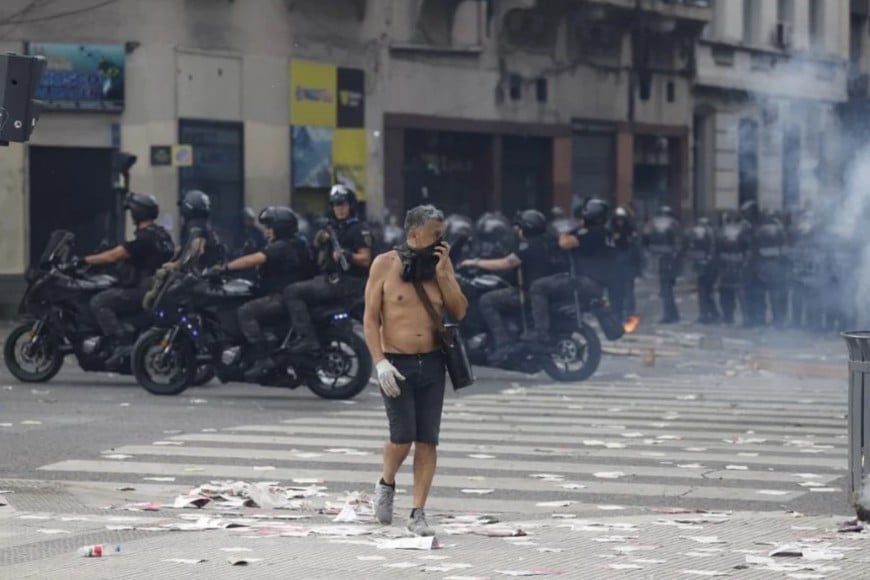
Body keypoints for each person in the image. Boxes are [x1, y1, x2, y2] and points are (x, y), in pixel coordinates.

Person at [364, 204, 468, 537]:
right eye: (436, 234)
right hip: (396, 364)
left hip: (433, 363)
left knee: (427, 441)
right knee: (402, 436)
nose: (442, 240)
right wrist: (379, 363)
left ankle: (418, 512)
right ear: (413, 234)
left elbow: (460, 310)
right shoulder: (384, 265)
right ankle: (386, 481)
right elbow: (369, 319)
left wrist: (444, 273)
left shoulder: (441, 265)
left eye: (443, 233)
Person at [213, 206, 312, 381]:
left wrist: (224, 268)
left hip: (281, 297)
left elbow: (255, 259)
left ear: (280, 227)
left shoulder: (281, 246)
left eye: (269, 227)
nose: (266, 231)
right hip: (290, 295)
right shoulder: (298, 242)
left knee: (245, 311)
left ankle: (262, 356)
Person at [85, 193, 175, 369]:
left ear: (137, 213)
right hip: (157, 287)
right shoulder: (162, 234)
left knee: (99, 301)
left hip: (142, 288)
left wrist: (83, 260)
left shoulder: (144, 238)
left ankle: (120, 342)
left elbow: (113, 256)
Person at [282, 184, 373, 353]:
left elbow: (365, 259)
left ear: (351, 205)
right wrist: (320, 239)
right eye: (336, 205)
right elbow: (316, 247)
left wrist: (348, 255)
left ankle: (306, 338)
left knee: (292, 292)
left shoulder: (358, 229)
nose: (339, 209)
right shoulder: (333, 228)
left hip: (346, 283)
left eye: (343, 204)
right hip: (332, 279)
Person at [460, 209, 558, 363]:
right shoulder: (547, 242)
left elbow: (505, 263)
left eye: (520, 227)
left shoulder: (528, 246)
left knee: (486, 300)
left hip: (526, 293)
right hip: (543, 291)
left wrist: (475, 262)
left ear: (526, 228)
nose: (517, 230)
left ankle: (503, 343)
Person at [525, 198, 612, 343]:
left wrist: (562, 233)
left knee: (537, 287)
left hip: (583, 281)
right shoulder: (606, 233)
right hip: (599, 284)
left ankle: (541, 332)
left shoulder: (590, 232)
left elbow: (565, 243)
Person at [163, 190, 224, 271]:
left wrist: (175, 265)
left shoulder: (195, 226)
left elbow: (196, 251)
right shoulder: (205, 225)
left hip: (198, 277)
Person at [643, 205, 683, 323]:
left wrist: (649, 253)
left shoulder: (652, 224)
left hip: (659, 259)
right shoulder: (674, 224)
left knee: (665, 289)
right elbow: (679, 243)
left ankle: (670, 315)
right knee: (667, 288)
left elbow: (645, 239)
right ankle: (672, 314)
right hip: (669, 260)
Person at [685, 217, 720, 324]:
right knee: (706, 290)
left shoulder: (705, 233)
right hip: (709, 265)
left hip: (707, 265)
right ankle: (711, 313)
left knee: (704, 290)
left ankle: (707, 314)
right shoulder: (712, 232)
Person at [609, 206, 640, 323]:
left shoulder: (631, 231)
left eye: (622, 219)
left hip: (628, 266)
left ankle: (629, 314)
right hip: (615, 267)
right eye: (618, 220)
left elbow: (635, 249)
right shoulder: (611, 232)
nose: (619, 222)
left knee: (628, 292)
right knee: (616, 292)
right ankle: (616, 313)